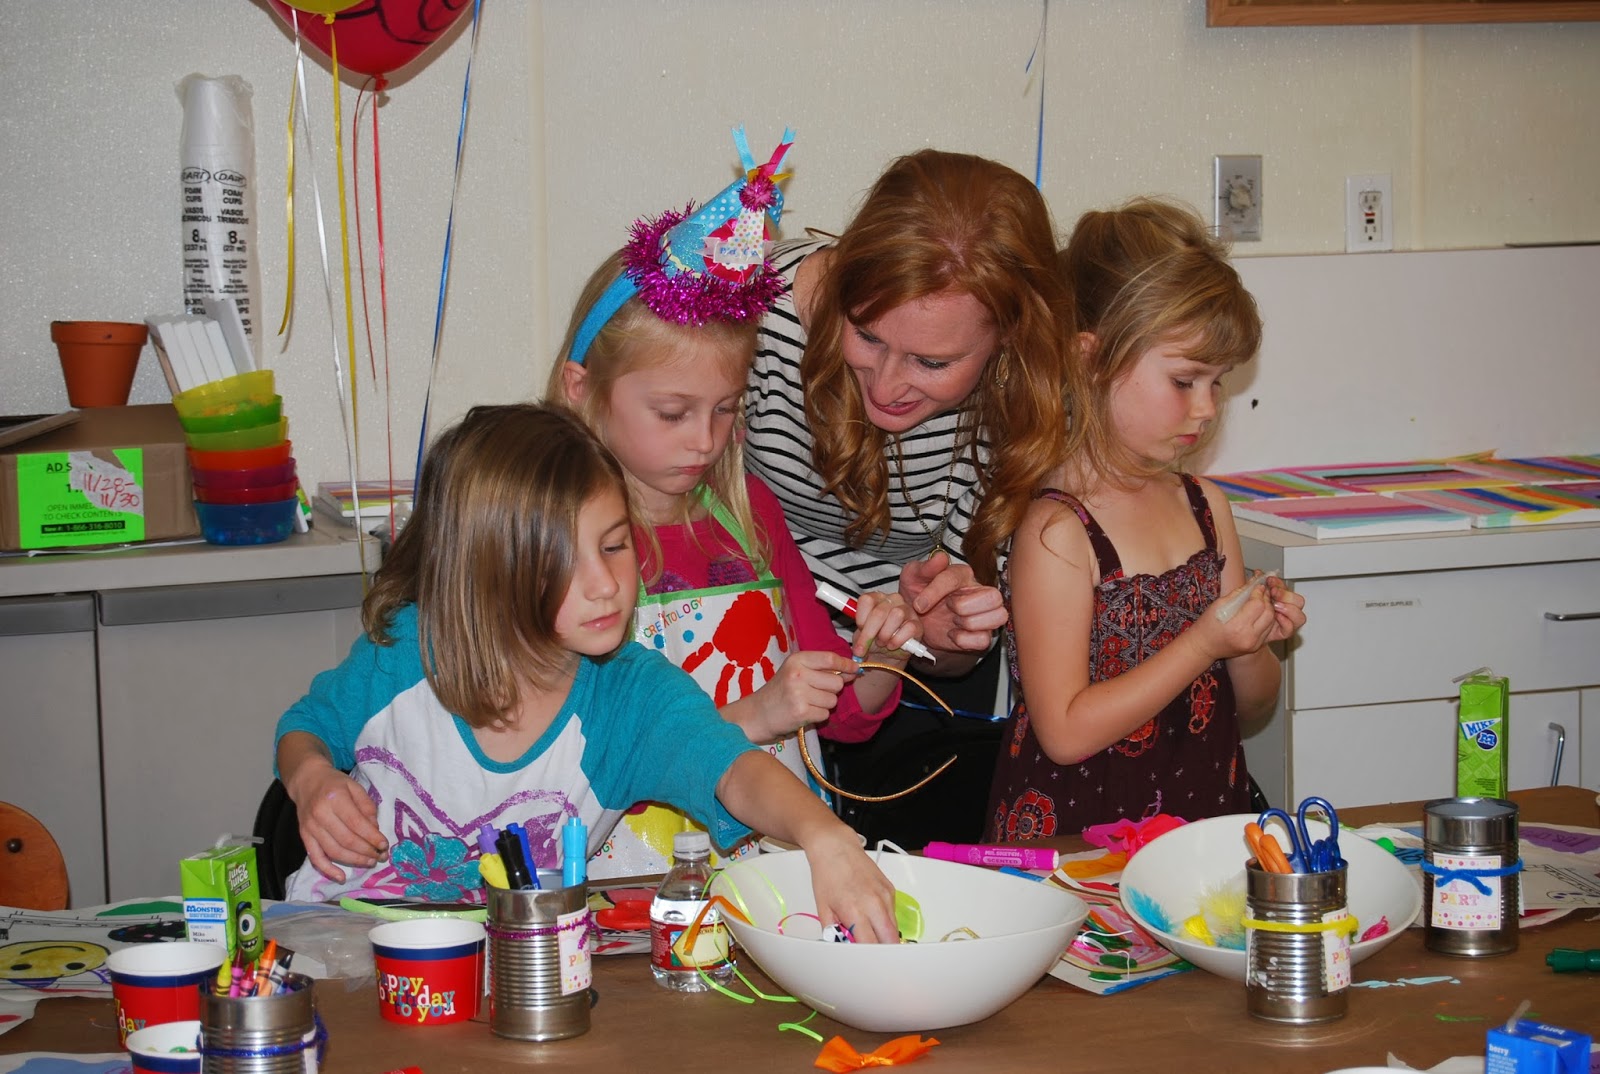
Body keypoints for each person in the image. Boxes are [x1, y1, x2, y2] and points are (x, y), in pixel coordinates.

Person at [273, 403, 897, 941]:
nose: (605, 586)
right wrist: (310, 780)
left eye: (615, 545)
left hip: (520, 969)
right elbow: (306, 726)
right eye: (563, 560)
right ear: (485, 569)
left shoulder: (628, 695)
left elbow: (734, 769)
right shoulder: (408, 649)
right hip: (348, 945)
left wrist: (826, 836)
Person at [547, 129, 925, 875]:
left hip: (771, 875)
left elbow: (844, 716)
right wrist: (757, 717)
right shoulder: (556, 541)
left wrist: (880, 657)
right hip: (622, 887)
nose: (705, 440)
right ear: (581, 389)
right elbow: (559, 760)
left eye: (726, 409)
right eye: (673, 412)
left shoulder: (749, 511)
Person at [743, 148, 1075, 842]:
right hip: (742, 670)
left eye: (933, 362)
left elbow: (949, 652)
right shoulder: (755, 314)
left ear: (1007, 340)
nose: (888, 385)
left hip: (894, 689)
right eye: (865, 334)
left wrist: (945, 631)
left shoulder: (1018, 397)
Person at [984, 197, 1308, 840]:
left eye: (1219, 383)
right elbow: (1066, 732)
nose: (1207, 408)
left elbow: (1254, 704)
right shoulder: (1057, 532)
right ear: (1091, 358)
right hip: (1081, 837)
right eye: (1185, 381)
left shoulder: (1206, 508)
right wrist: (1206, 642)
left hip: (1202, 823)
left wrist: (1253, 639)